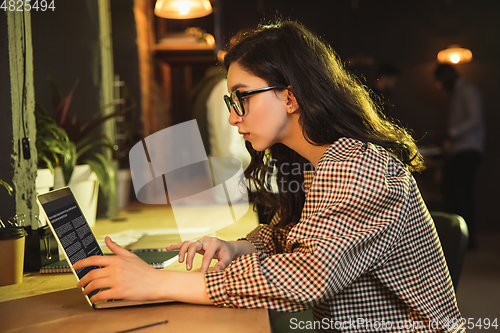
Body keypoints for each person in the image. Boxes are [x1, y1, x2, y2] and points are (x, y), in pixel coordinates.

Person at [74, 20, 463, 332]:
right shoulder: (312, 162)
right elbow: (286, 234)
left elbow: (307, 278)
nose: (232, 115)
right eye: (231, 101)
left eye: (242, 97)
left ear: (290, 97)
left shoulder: (360, 166)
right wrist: (238, 248)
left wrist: (157, 283)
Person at [434, 64, 485, 250]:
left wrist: (450, 132)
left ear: (448, 75)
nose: (440, 85)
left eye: (440, 81)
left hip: (468, 150)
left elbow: (475, 118)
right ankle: (457, 239)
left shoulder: (468, 91)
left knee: (462, 195)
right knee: (453, 193)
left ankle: (466, 241)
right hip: (458, 150)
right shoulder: (456, 92)